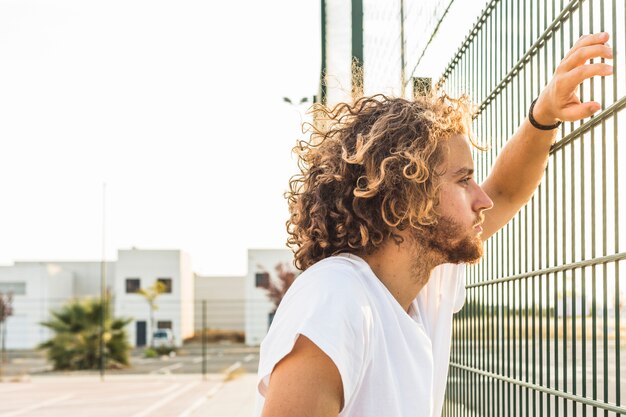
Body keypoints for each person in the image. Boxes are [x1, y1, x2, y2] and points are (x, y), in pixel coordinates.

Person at [255, 32, 614, 417]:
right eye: (463, 180)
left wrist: (544, 115)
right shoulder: (335, 300)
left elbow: (507, 191)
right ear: (406, 198)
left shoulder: (422, 283)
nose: (483, 199)